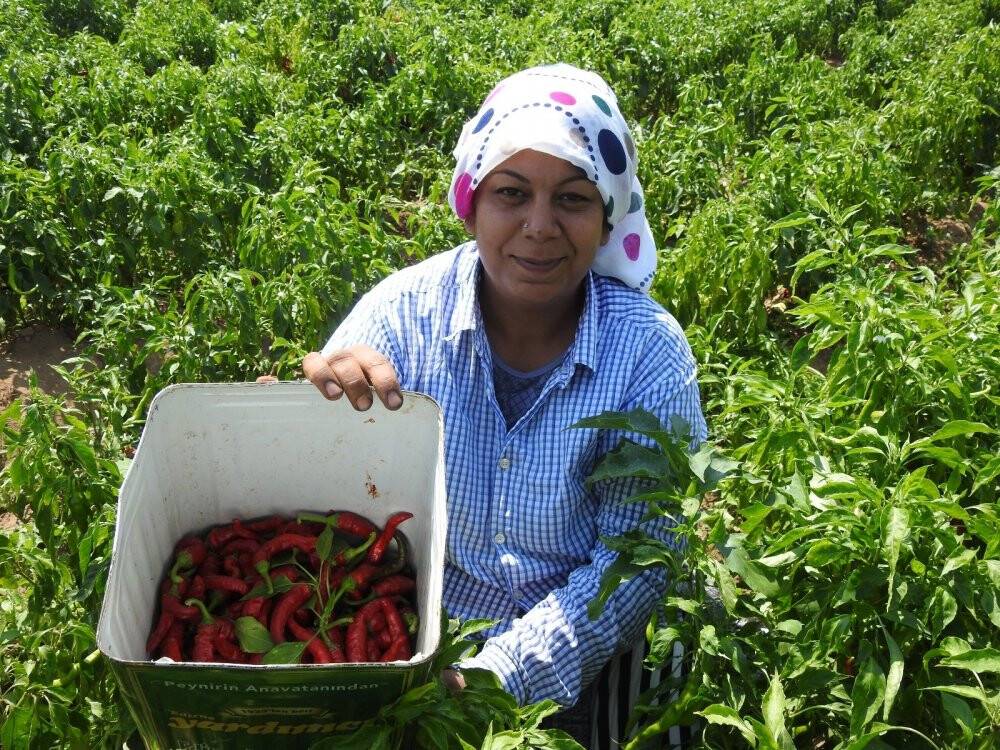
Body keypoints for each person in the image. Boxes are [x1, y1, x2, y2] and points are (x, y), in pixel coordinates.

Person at [302, 64, 707, 746]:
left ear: (607, 217)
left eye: (573, 199)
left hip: (590, 645)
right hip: (425, 634)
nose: (539, 227)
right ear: (472, 202)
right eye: (512, 193)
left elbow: (632, 564)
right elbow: (316, 477)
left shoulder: (646, 355)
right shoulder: (404, 314)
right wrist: (297, 420)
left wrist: (492, 680)